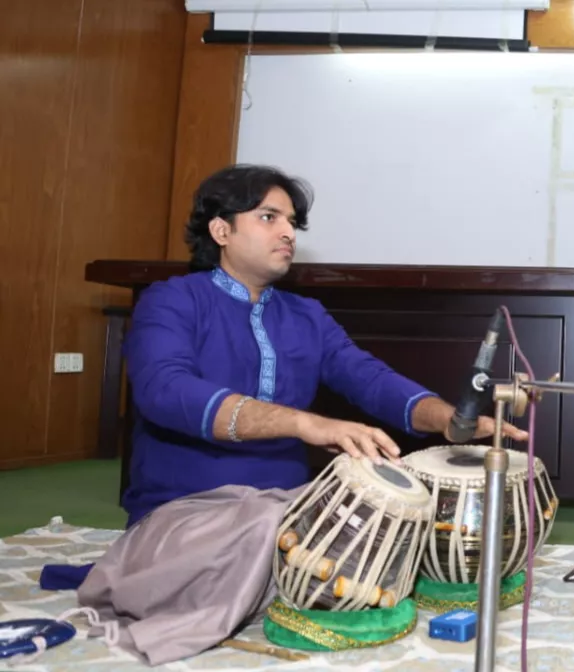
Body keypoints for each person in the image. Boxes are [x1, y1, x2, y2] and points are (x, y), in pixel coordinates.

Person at [39, 165, 528, 625]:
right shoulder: (171, 300)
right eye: (269, 218)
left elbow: (370, 379)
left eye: (292, 222)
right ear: (221, 231)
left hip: (288, 508)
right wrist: (304, 423)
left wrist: (449, 420)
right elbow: (164, 391)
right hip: (186, 513)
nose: (288, 232)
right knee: (283, 540)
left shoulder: (306, 316)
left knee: (388, 526)